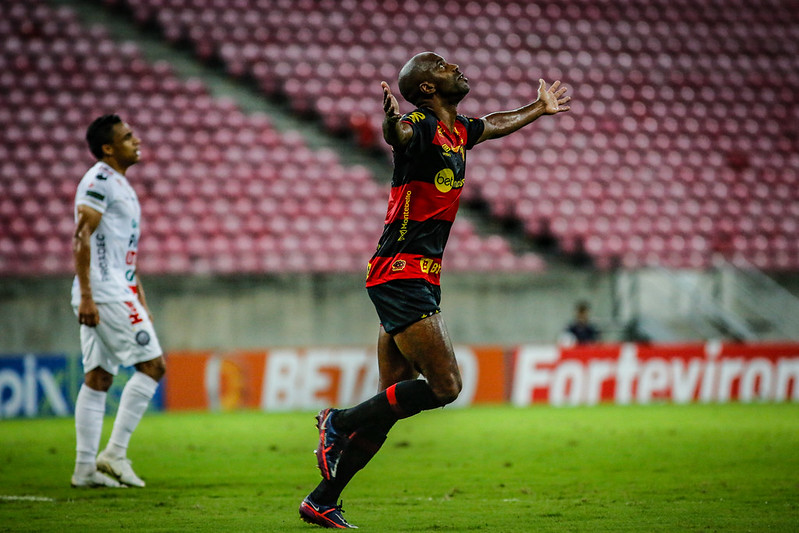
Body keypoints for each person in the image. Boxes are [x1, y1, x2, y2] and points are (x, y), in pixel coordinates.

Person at [299, 51, 570, 528]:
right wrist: (392, 125)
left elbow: (491, 124)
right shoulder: (421, 127)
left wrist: (536, 107)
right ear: (427, 88)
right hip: (402, 273)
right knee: (446, 387)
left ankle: (324, 498)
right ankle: (337, 422)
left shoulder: (456, 130)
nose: (456, 67)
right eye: (443, 66)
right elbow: (398, 137)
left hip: (413, 274)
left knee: (386, 404)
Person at [70, 114, 166, 488]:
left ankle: (83, 469)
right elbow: (81, 237)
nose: (136, 141)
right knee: (154, 366)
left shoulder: (120, 184)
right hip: (102, 293)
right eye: (127, 137)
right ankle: (115, 453)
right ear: (108, 148)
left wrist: (137, 291)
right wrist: (88, 297)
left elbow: (120, 245)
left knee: (98, 377)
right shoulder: (98, 181)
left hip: (116, 290)